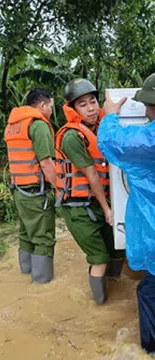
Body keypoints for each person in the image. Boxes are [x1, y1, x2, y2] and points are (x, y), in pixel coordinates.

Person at [97, 74, 155, 353]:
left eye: (148, 105)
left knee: (148, 291)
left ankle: (150, 349)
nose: (145, 110)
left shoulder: (148, 140)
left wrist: (109, 115)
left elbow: (112, 143)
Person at [55, 78, 125, 305]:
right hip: (78, 207)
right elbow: (91, 175)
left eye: (93, 101)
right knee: (99, 258)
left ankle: (115, 286)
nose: (91, 108)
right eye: (83, 104)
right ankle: (100, 305)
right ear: (72, 108)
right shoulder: (72, 137)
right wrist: (107, 209)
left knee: (118, 248)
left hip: (99, 201)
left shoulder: (100, 128)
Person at [3, 88, 57, 283]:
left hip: (19, 191)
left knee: (26, 234)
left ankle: (26, 275)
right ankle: (42, 284)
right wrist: (60, 188)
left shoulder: (14, 125)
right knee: (43, 239)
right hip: (37, 193)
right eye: (50, 107)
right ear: (42, 106)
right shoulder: (38, 126)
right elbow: (46, 163)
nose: (51, 111)